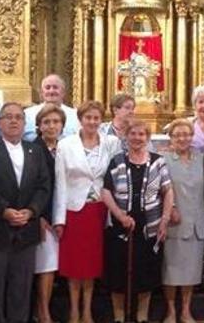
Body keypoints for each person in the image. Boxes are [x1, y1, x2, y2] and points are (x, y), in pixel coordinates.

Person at [0, 103, 52, 323]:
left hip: (26, 230)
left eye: (18, 117)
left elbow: (44, 186)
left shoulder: (35, 150)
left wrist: (31, 211)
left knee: (21, 289)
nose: (13, 121)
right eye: (8, 117)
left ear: (24, 123)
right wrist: (4, 211)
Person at [53, 100, 121, 323]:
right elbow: (60, 183)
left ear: (102, 120)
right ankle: (74, 310)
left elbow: (115, 177)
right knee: (74, 265)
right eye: (88, 117)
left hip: (99, 210)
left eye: (96, 118)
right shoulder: (66, 144)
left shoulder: (111, 142)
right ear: (80, 119)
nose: (92, 121)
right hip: (75, 210)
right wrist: (59, 219)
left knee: (92, 265)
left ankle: (87, 311)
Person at [101, 120, 174, 323]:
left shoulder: (158, 161)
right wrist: (119, 215)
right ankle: (119, 316)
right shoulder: (117, 161)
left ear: (147, 138)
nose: (137, 138)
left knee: (146, 271)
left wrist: (164, 220)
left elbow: (168, 192)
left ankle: (142, 315)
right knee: (117, 271)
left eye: (142, 134)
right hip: (119, 224)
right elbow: (106, 191)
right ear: (126, 137)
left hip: (149, 225)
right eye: (133, 133)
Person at [162, 119, 204, 323]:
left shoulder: (202, 158)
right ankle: (171, 311)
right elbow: (158, 189)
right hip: (174, 221)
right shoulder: (163, 159)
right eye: (177, 134)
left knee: (191, 269)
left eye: (186, 134)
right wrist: (170, 208)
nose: (182, 138)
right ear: (171, 138)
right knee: (171, 269)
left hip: (197, 220)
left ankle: (186, 310)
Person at [32, 103, 66, 323]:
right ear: (39, 126)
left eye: (56, 122)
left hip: (62, 213)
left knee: (55, 266)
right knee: (45, 265)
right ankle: (43, 312)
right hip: (42, 216)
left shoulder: (66, 148)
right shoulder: (32, 149)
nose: (51, 126)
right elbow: (30, 186)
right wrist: (40, 216)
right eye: (46, 122)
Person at [24, 74, 80, 141]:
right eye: (47, 88)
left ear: (63, 92)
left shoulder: (76, 115)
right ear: (41, 92)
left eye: (55, 87)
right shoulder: (27, 114)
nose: (51, 91)